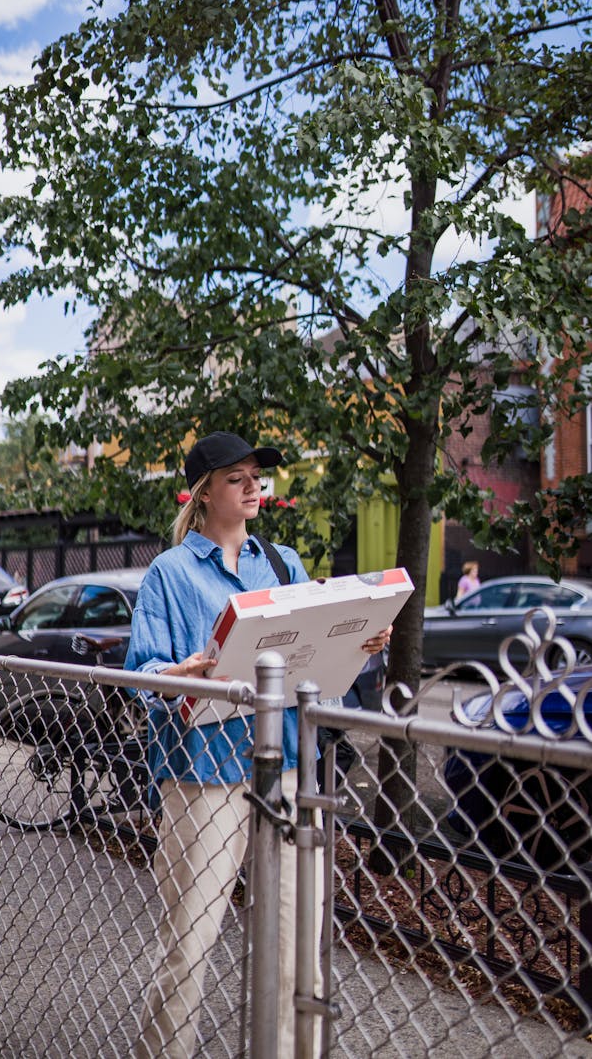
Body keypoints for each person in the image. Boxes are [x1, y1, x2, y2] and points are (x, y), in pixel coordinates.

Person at [124, 431, 390, 1058]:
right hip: (203, 773)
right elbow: (142, 676)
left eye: (257, 477)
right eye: (237, 478)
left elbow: (314, 661)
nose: (253, 487)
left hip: (290, 765)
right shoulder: (171, 572)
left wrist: (359, 643)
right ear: (203, 491)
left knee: (299, 939)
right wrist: (177, 674)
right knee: (190, 940)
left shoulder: (283, 563)